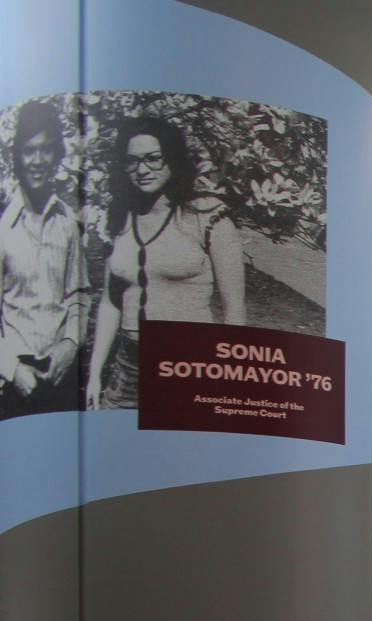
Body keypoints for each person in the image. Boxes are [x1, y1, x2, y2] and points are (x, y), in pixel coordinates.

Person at [86, 115, 244, 410]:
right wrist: (95, 374)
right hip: (128, 371)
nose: (142, 170)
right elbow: (111, 303)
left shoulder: (208, 218)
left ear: (172, 159)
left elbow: (234, 311)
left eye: (153, 159)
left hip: (191, 369)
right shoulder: (121, 218)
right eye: (132, 161)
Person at [0, 99, 85, 420]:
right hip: (13, 377)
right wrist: (13, 369)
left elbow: (78, 295)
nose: (37, 160)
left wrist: (71, 343)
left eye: (47, 149)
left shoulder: (68, 223)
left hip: (61, 370)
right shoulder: (2, 226)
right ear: (17, 157)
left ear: (58, 156)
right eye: (29, 150)